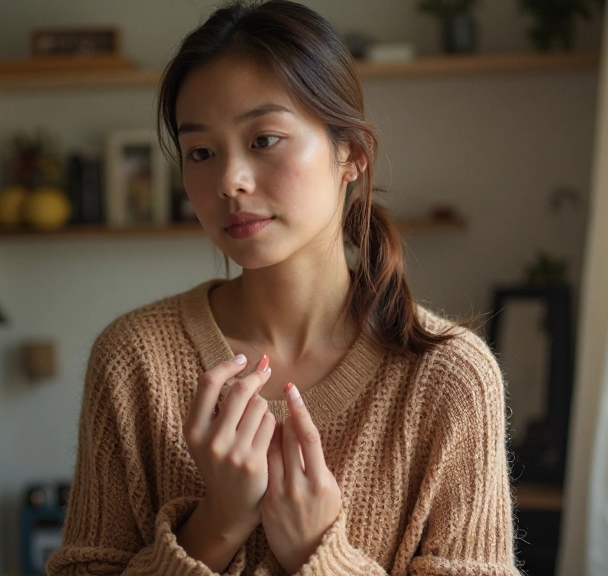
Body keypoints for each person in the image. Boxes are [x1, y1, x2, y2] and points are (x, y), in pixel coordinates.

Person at [45, 1, 519, 574]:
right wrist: (216, 524)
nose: (228, 181)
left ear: (351, 154)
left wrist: (317, 551)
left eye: (265, 139)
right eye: (200, 152)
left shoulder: (450, 380)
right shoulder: (133, 361)